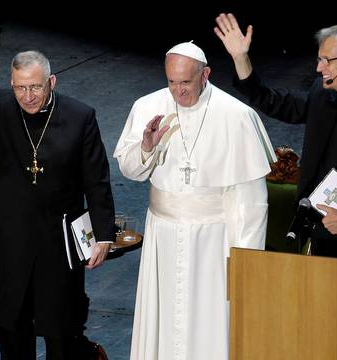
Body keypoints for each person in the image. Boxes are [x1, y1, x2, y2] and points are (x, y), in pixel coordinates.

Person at [214, 14, 337, 359]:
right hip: (321, 240)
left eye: (327, 59)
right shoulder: (321, 98)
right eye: (320, 58)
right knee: (321, 336)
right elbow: (271, 100)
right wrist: (240, 59)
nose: (319, 66)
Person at [0, 50, 115, 360]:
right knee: (11, 328)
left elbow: (97, 180)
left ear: (51, 81)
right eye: (21, 87)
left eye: (35, 87)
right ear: (12, 84)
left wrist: (103, 235)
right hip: (11, 238)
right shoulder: (0, 105)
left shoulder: (80, 116)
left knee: (60, 330)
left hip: (58, 242)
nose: (28, 96)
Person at [113, 41, 276, 360]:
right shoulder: (148, 106)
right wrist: (146, 147)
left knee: (210, 324)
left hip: (215, 240)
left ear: (206, 75)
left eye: (186, 82)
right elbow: (130, 171)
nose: (178, 92)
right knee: (164, 321)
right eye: (171, 82)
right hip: (163, 234)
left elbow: (252, 202)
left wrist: (245, 260)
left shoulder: (236, 115)